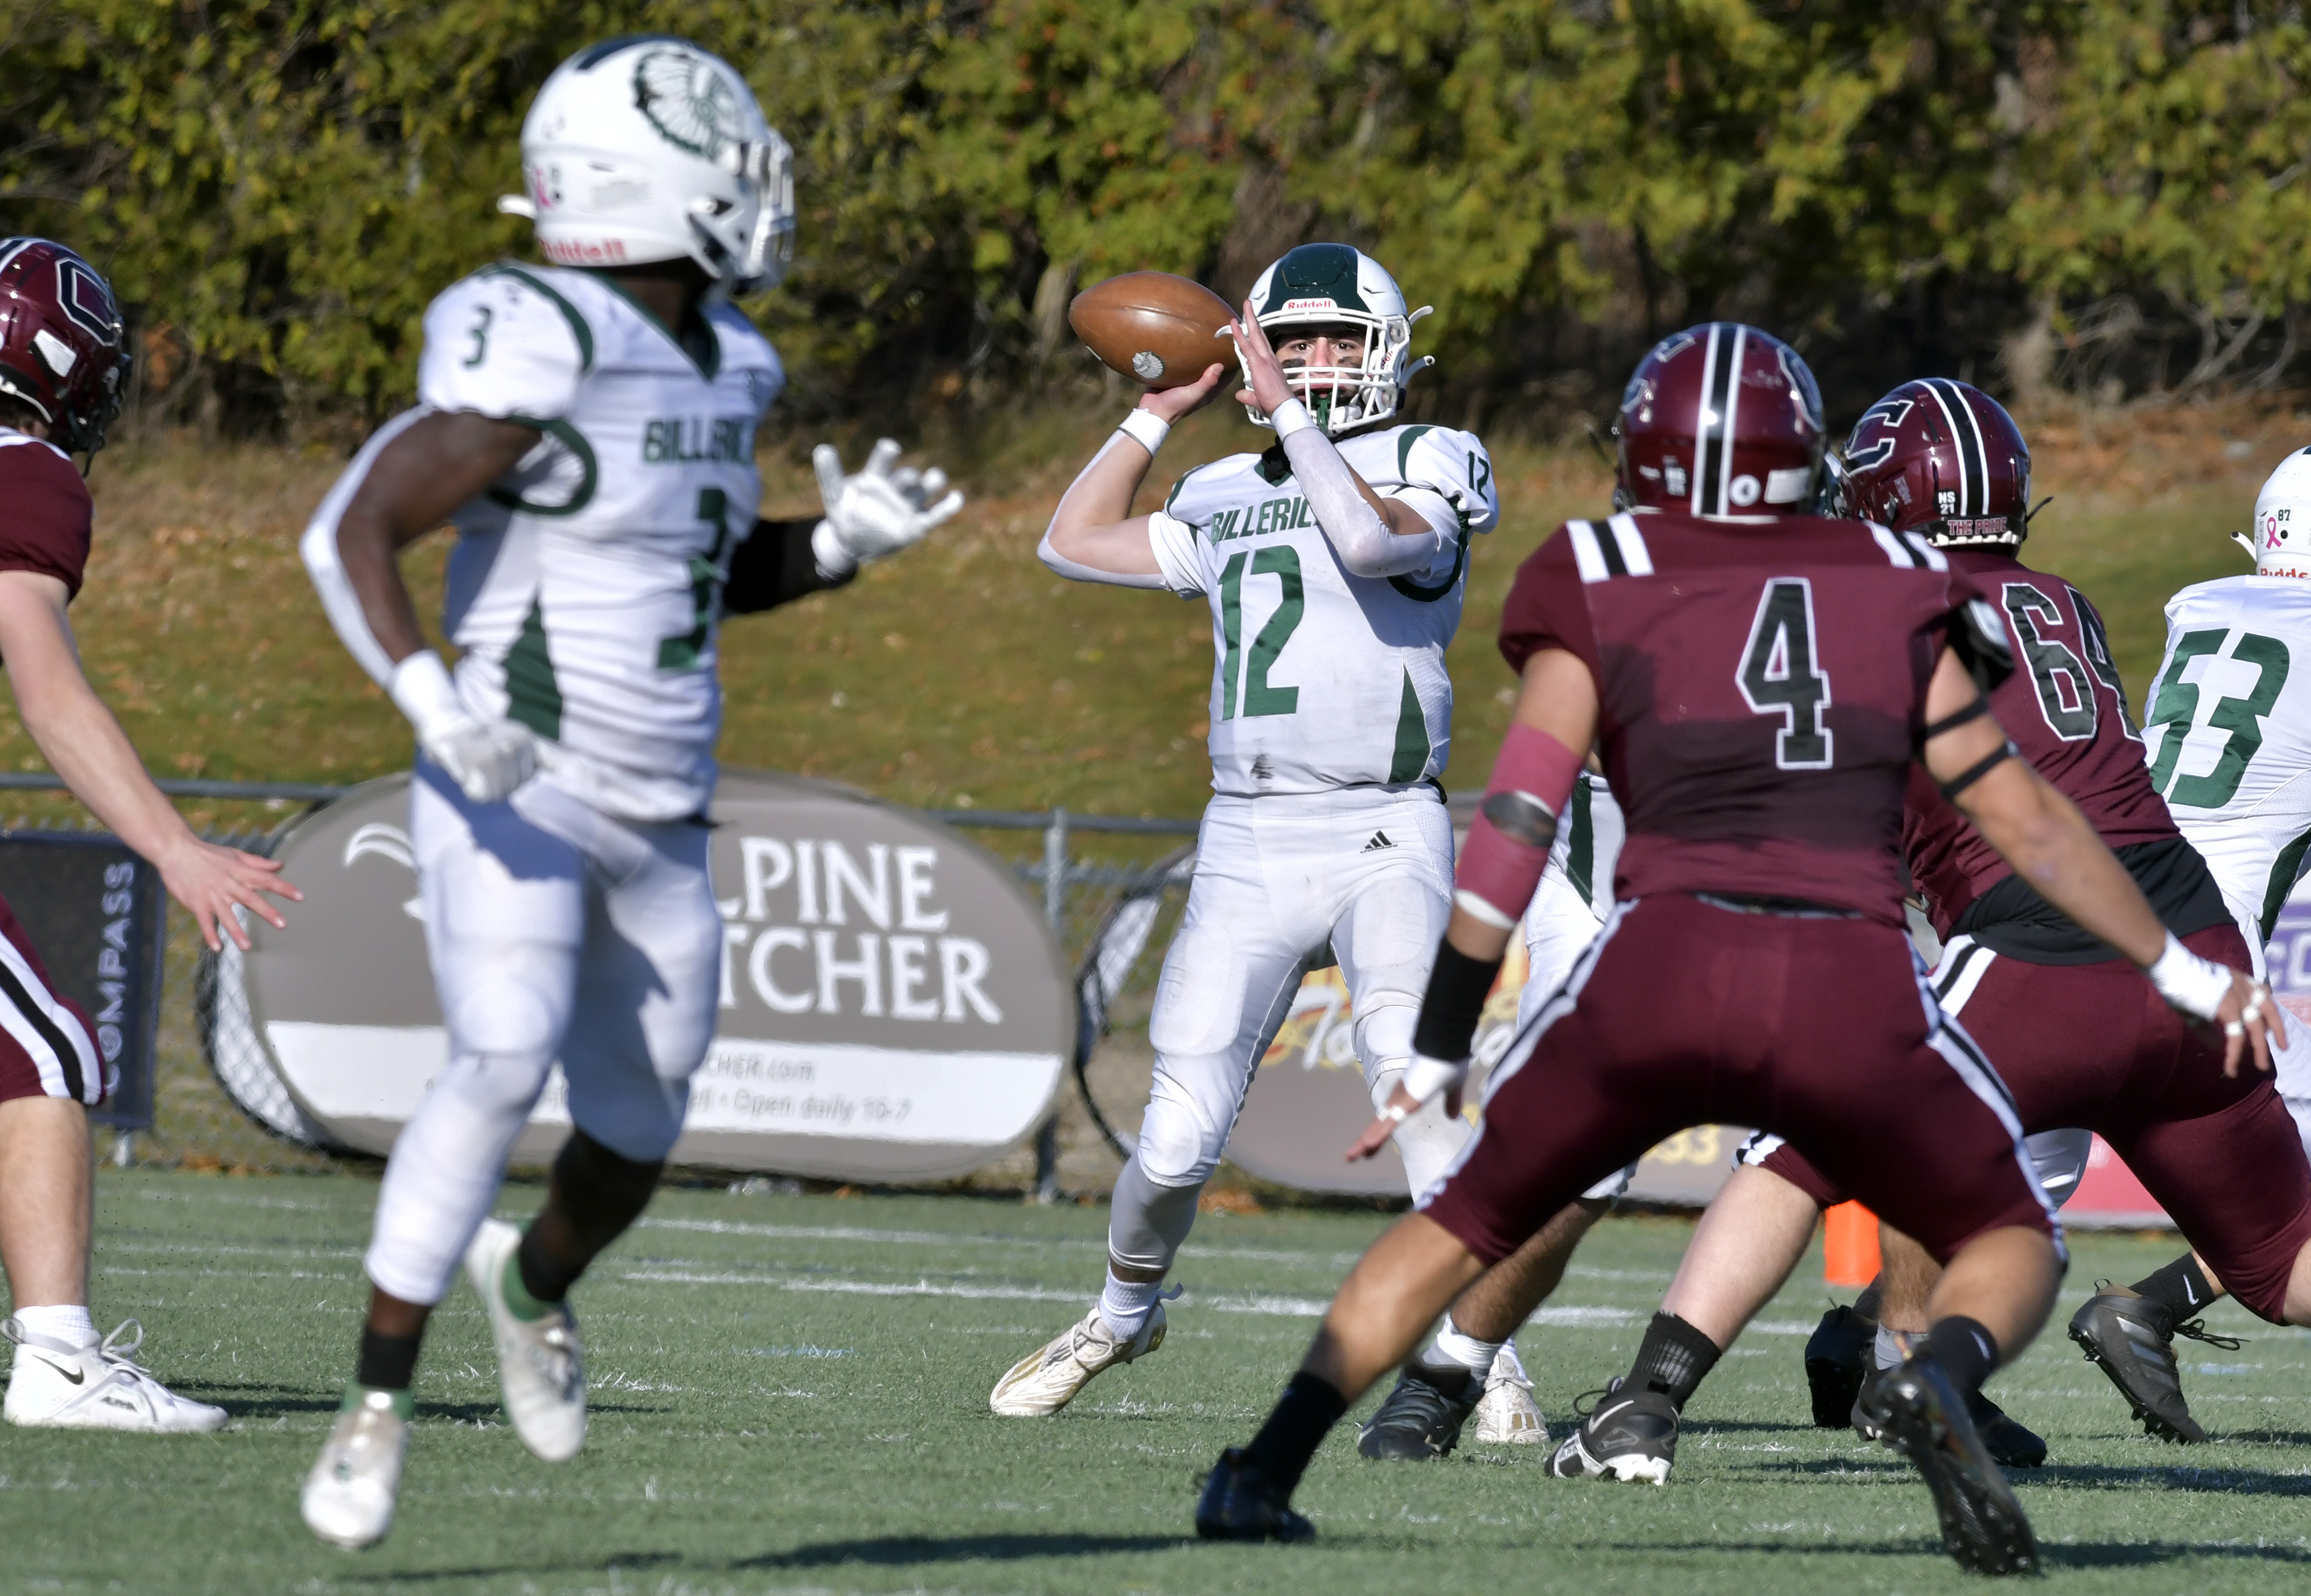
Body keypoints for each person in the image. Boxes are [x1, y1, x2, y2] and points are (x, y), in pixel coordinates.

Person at [1193, 326, 2275, 1577]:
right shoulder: (1892, 585)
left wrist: (1438, 1032)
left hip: (1662, 957)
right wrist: (2181, 966)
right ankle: (1923, 1380)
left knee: (1467, 1216)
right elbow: (2021, 808)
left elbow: (1517, 813)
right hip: (1840, 968)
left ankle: (1280, 1458)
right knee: (2014, 1239)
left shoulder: (1596, 569)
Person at [293, 39, 960, 1549]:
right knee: (501, 1049)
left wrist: (834, 548)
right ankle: (373, 1408)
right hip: (512, 781)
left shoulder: (731, 360)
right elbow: (353, 526)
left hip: (662, 808)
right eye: (728, 156)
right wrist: (431, 702)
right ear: (648, 184)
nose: (755, 184)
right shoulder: (534, 334)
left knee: (642, 1129)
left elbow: (699, 570)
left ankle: (530, 1289)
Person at [1538, 380, 2311, 1487]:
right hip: (2197, 951)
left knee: (1797, 1150)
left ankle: (1644, 1402)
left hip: (2053, 950)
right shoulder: (2066, 602)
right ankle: (1909, 1362)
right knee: (2284, 1263)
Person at [992, 243, 1504, 1421]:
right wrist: (1149, 413)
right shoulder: (1223, 485)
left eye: (1339, 341)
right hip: (1250, 835)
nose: (1319, 364)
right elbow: (1067, 540)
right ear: (1252, 353)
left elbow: (1371, 543)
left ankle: (1484, 1356)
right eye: (1297, 343)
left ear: (1387, 352)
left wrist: (1291, 421)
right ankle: (1123, 1315)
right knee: (1170, 1143)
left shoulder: (1433, 456)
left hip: (1385, 825)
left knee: (1416, 1093)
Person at [0, 238, 301, 1430]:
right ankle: (62, 1363)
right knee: (49, 1057)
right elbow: (48, 685)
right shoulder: (25, 471)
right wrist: (174, 846)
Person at [2070, 445, 2311, 1443]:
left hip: (2099, 914)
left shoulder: (2199, 603)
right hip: (2206, 961)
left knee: (2002, 1170)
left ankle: (1865, 1336)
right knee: (2281, 1233)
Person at [1354, 769, 1624, 1458]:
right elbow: (1531, 783)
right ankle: (1455, 1371)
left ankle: (1895, 1343)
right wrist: (1443, 1034)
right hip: (1607, 906)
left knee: (1888, 1107)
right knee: (1579, 1161)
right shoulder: (1606, 672)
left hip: (1796, 896)